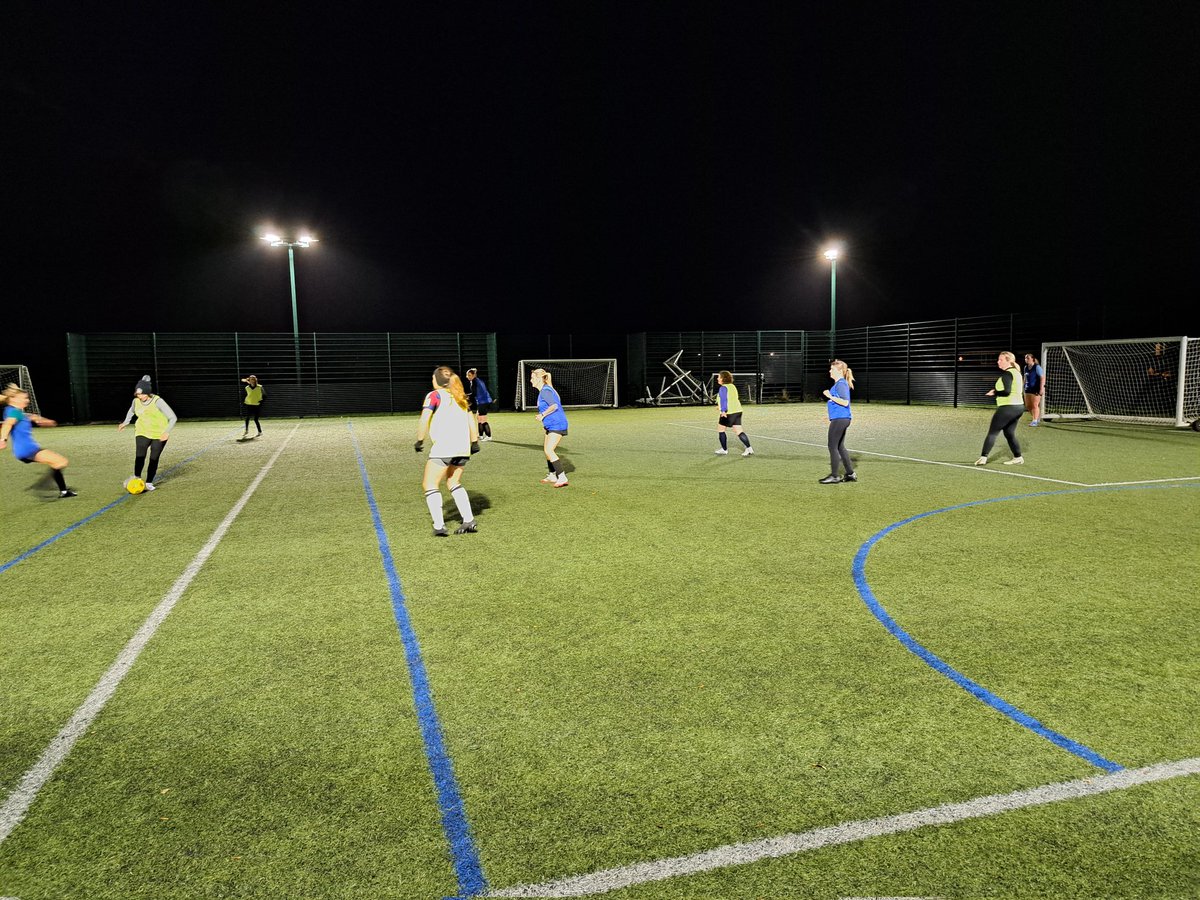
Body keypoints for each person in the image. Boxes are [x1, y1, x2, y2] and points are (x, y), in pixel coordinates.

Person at [414, 366, 480, 537]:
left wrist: (420, 440)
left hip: (444, 447)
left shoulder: (434, 395)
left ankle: (439, 525)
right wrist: (474, 442)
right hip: (462, 448)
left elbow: (424, 419)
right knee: (453, 483)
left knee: (429, 484)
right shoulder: (459, 395)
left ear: (437, 380)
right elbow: (471, 421)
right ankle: (468, 520)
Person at [1, 383, 76, 498]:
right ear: (14, 399)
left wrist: (40, 419)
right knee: (61, 462)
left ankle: (64, 491)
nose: (27, 401)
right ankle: (42, 487)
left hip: (25, 450)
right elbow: (8, 424)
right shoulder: (15, 413)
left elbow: (26, 416)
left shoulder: (12, 410)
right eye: (24, 398)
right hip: (28, 450)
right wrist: (3, 439)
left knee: (57, 462)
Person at [118, 376, 178, 491]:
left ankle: (149, 482)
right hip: (142, 431)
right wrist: (126, 422)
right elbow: (131, 410)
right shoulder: (136, 401)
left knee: (154, 458)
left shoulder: (158, 401)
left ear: (148, 393)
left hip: (159, 434)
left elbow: (173, 417)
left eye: (142, 394)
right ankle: (136, 478)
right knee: (140, 456)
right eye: (138, 394)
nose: (140, 397)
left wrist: (166, 432)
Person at [976, 352, 1024, 466]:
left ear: (1008, 361)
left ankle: (983, 457)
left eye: (1001, 359)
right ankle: (1018, 457)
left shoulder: (1007, 374)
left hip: (1008, 407)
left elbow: (1007, 391)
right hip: (1019, 407)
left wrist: (995, 392)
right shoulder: (1017, 373)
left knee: (992, 433)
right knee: (1009, 433)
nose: (998, 362)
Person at [530, 367, 569, 487]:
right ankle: (552, 475)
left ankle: (562, 477)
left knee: (549, 450)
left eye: (532, 378)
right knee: (546, 450)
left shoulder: (545, 391)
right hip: (551, 424)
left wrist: (542, 415)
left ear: (538, 379)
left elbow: (554, 406)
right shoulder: (545, 390)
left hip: (557, 424)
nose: (531, 381)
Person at [819, 360, 857, 483]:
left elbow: (845, 402)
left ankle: (835, 476)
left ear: (839, 371)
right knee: (840, 447)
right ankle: (850, 474)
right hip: (840, 418)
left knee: (832, 446)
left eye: (832, 369)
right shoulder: (838, 384)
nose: (830, 371)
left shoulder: (841, 384)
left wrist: (829, 396)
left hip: (841, 419)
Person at [714, 371, 754, 457]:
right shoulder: (732, 386)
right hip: (738, 411)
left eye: (719, 377)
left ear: (723, 378)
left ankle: (724, 450)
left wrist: (723, 410)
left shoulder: (723, 388)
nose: (717, 378)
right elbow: (732, 399)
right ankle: (749, 448)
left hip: (728, 412)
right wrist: (720, 407)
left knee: (721, 430)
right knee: (739, 431)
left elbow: (724, 400)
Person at [465, 368, 494, 441]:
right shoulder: (478, 380)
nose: (468, 376)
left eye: (469, 375)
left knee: (482, 420)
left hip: (483, 402)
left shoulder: (474, 381)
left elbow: (474, 393)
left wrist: (466, 396)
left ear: (474, 375)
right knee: (478, 417)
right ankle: (480, 435)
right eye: (467, 375)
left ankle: (489, 436)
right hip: (484, 401)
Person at [1022, 353, 1044, 426]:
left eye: (1028, 358)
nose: (1026, 359)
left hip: (1036, 389)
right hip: (1027, 389)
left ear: (1032, 359)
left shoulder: (1037, 367)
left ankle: (1034, 421)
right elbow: (1025, 378)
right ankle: (1036, 418)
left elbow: (1042, 378)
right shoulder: (1025, 367)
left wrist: (1041, 389)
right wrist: (1023, 386)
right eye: (1025, 358)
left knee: (1035, 405)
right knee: (1028, 406)